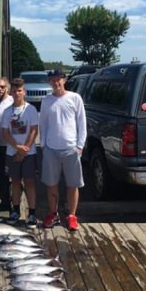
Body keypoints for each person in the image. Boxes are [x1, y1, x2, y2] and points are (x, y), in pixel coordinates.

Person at [39, 69, 87, 231]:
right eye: (52, 80)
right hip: (51, 149)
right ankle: (53, 213)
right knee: (51, 184)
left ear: (64, 80)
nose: (56, 82)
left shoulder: (75, 98)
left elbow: (82, 123)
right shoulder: (46, 100)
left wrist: (80, 146)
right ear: (49, 83)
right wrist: (44, 145)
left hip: (71, 148)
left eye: (58, 79)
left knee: (73, 185)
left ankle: (72, 215)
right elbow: (43, 124)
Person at [2, 77, 38, 229]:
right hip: (12, 152)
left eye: (20, 90)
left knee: (29, 182)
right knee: (15, 182)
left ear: (24, 92)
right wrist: (17, 147)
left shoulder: (31, 109)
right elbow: (5, 133)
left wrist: (24, 150)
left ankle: (32, 213)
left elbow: (34, 130)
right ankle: (15, 211)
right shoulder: (7, 111)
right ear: (10, 92)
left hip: (29, 153)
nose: (17, 93)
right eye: (14, 91)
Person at [0, 77, 13, 211]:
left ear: (7, 88)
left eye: (2, 87)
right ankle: (5, 201)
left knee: (12, 175)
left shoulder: (11, 101)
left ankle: (14, 203)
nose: (0, 89)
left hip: (10, 145)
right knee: (0, 174)